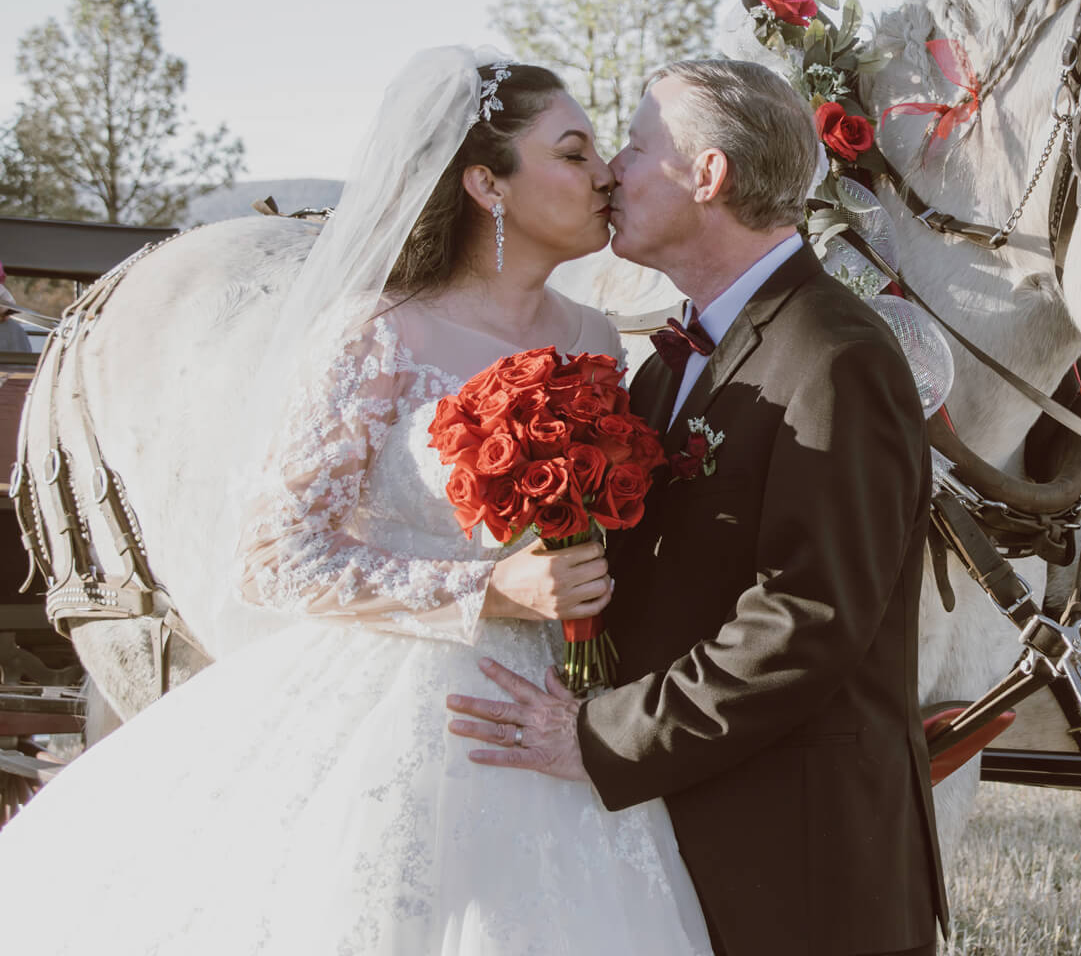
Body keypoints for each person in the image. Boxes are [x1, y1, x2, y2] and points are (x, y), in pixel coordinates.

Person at [0, 48, 712, 955]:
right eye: (573, 153)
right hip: (408, 712)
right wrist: (489, 593)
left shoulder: (596, 336)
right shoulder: (380, 334)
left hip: (572, 714)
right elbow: (274, 554)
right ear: (487, 185)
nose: (606, 172)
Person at [447, 59, 947, 956]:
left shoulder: (836, 357)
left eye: (635, 148)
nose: (612, 174)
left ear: (707, 176)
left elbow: (806, 618)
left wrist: (603, 738)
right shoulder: (669, 362)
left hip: (800, 872)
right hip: (678, 854)